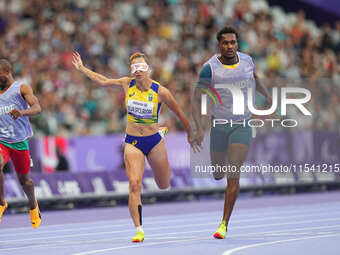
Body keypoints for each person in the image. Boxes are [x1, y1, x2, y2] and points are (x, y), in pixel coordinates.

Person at [72, 52, 191, 242]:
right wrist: (82, 68)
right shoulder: (127, 83)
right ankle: (139, 229)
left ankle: (161, 131)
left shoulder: (160, 91)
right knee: (134, 184)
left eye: (141, 67)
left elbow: (179, 112)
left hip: (154, 141)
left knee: (164, 184)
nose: (137, 71)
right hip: (133, 142)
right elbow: (103, 81)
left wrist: (190, 133)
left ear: (147, 69)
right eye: (134, 68)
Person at [191, 27, 272, 239]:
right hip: (219, 125)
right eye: (225, 43)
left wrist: (267, 96)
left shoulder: (247, 60)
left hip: (242, 124)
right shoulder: (210, 68)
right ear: (219, 45)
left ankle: (223, 225)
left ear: (237, 44)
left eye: (233, 42)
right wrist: (199, 128)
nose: (229, 46)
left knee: (232, 174)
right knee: (218, 173)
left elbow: (254, 77)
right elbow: (196, 97)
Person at [0, 59, 42, 228]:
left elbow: (37, 108)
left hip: (19, 142)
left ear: (6, 72)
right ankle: (1, 202)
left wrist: (22, 112)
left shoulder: (21, 88)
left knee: (25, 182)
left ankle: (33, 206)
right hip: (2, 140)